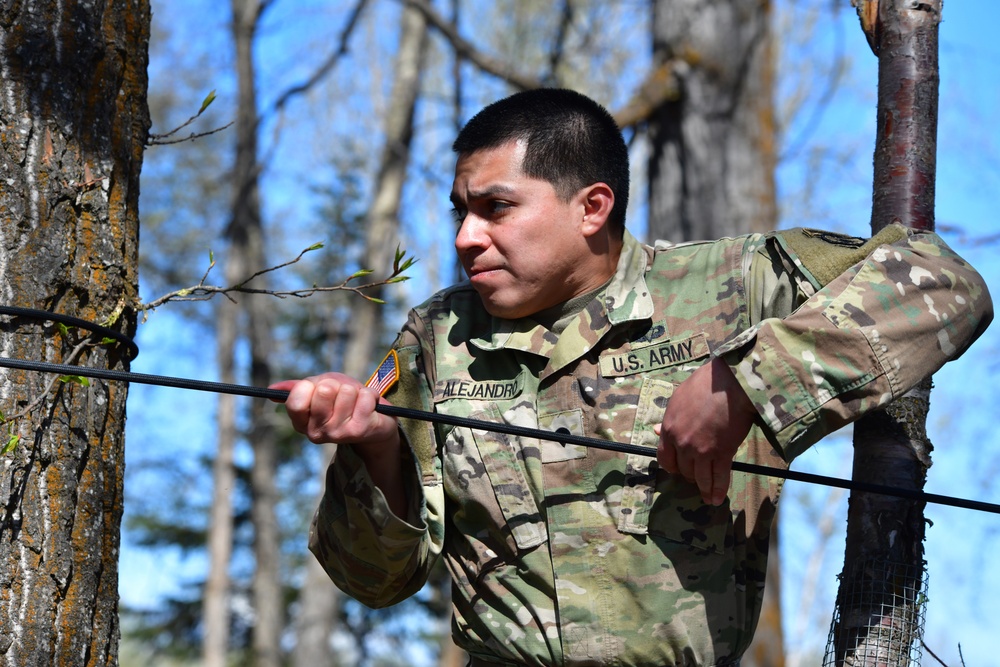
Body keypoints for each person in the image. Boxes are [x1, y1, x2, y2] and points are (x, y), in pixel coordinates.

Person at [273, 89, 993, 666]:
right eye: (460, 211)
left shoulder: (731, 284)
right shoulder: (437, 337)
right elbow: (373, 580)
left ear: (592, 207)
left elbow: (945, 284)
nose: (465, 236)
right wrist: (373, 449)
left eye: (496, 208)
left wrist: (745, 383)